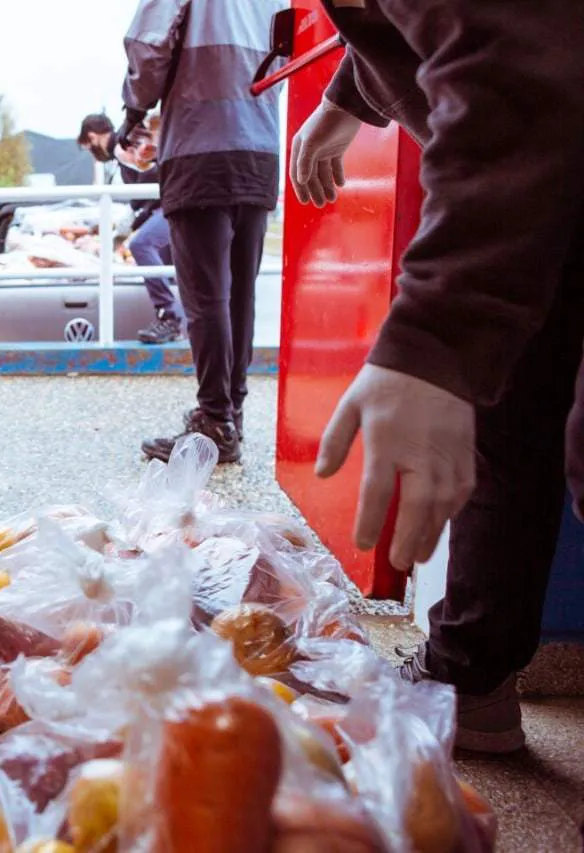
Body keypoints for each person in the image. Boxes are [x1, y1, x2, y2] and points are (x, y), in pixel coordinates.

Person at [291, 0, 584, 754]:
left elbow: (516, 74)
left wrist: (432, 339)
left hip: (548, 141)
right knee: (503, 410)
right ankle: (470, 676)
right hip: (543, 184)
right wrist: (345, 99)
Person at [120, 0, 285, 465]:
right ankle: (231, 414)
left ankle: (215, 419)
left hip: (199, 149)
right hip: (259, 149)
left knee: (205, 298)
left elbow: (148, 46)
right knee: (239, 296)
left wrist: (133, 109)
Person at [78, 113, 183, 345]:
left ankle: (169, 317)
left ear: (92, 137)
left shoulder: (121, 147)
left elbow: (146, 187)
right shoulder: (125, 148)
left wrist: (120, 236)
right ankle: (177, 319)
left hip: (177, 200)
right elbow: (142, 202)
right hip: (173, 201)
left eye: (89, 148)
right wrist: (119, 235)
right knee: (162, 257)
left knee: (142, 244)